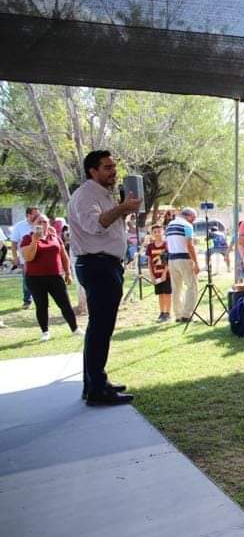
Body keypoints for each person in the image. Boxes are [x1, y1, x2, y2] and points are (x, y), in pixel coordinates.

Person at [68, 150, 138, 405]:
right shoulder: (86, 195)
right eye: (107, 167)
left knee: (100, 328)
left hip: (106, 265)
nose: (113, 171)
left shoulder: (102, 194)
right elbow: (94, 225)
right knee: (100, 328)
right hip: (97, 266)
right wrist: (122, 208)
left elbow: (109, 224)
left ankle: (94, 383)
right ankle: (97, 390)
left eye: (114, 166)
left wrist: (123, 211)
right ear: (93, 171)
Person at [20, 213, 80, 341]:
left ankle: (75, 329)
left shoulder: (55, 237)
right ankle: (45, 332)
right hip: (35, 278)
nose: (42, 224)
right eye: (39, 222)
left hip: (55, 277)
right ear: (33, 224)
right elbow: (28, 257)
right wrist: (34, 241)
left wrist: (68, 272)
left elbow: (63, 255)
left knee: (65, 304)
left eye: (45, 222)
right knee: (42, 305)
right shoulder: (27, 238)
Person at [165, 207, 200, 323]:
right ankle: (187, 314)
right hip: (184, 258)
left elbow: (168, 244)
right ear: (189, 216)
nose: (194, 221)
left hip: (172, 258)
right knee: (192, 286)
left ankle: (178, 314)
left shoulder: (169, 225)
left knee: (176, 288)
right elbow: (189, 245)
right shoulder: (187, 225)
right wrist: (196, 262)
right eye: (194, 218)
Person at [10, 206, 41, 310]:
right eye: (35, 214)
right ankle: (27, 301)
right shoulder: (19, 226)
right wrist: (15, 257)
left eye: (38, 214)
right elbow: (13, 243)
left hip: (40, 258)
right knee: (27, 280)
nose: (37, 216)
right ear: (28, 215)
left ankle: (41, 300)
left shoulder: (40, 225)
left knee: (41, 279)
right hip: (26, 259)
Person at [146, 223, 173, 322]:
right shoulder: (150, 246)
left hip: (166, 274)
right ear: (152, 234)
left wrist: (165, 273)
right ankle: (162, 312)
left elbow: (168, 260)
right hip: (156, 274)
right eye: (155, 232)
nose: (157, 233)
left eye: (159, 231)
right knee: (160, 294)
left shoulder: (166, 245)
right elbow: (149, 262)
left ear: (163, 232)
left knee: (167, 293)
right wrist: (152, 275)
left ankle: (168, 313)